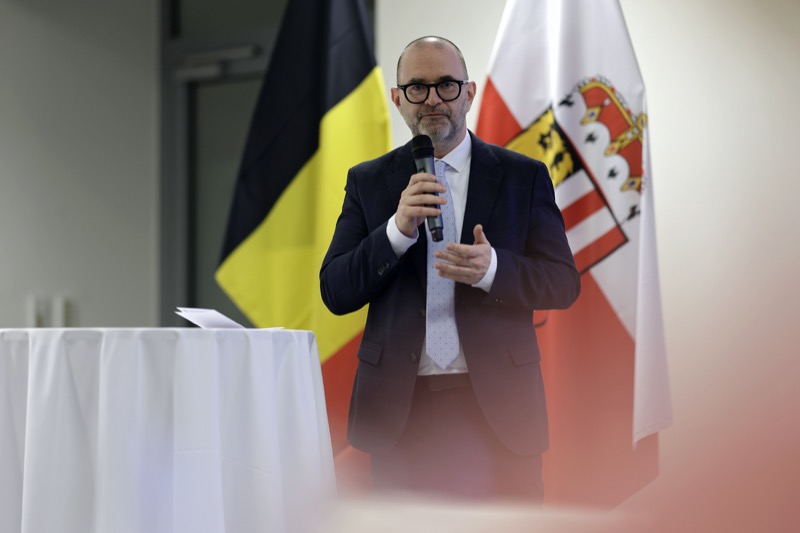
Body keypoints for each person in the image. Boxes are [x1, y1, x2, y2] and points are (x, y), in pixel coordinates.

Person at [320, 36, 580, 501]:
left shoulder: (523, 176)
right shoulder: (368, 182)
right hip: (401, 413)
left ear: (469, 93)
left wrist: (493, 269)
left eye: (446, 85)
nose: (433, 99)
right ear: (398, 99)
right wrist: (396, 232)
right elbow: (335, 291)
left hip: (499, 410)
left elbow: (562, 283)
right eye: (417, 88)